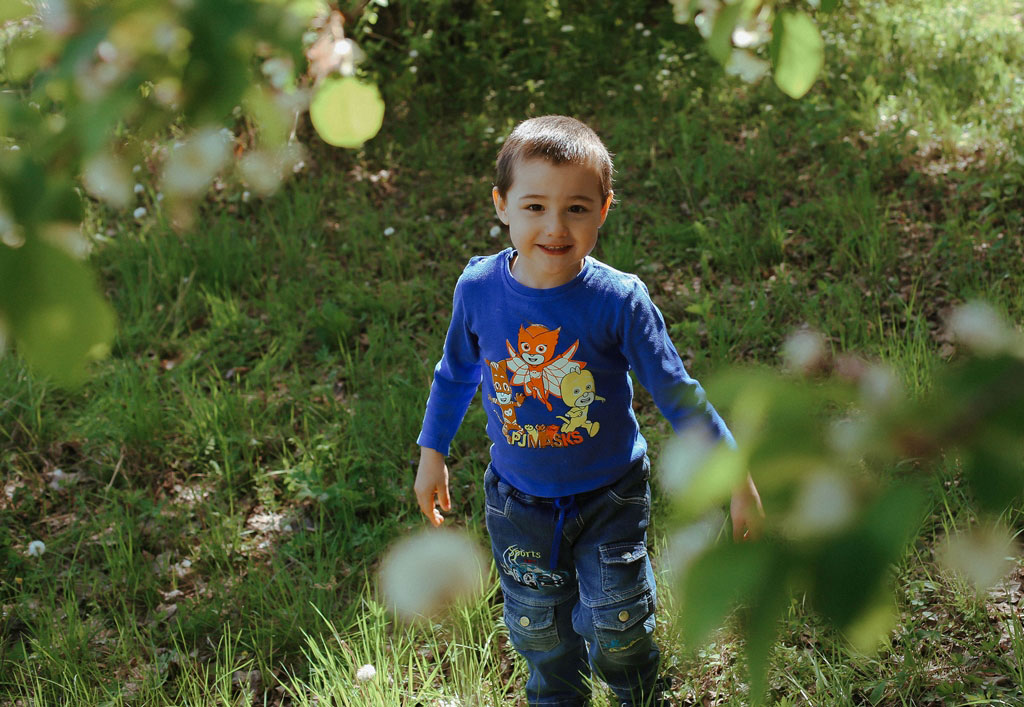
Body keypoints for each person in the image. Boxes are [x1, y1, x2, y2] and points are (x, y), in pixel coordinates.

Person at [414, 115, 763, 707]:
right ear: (502, 206)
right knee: (538, 632)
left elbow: (677, 391)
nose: (554, 226)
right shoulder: (478, 290)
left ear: (603, 210)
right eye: (534, 207)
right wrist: (432, 452)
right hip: (519, 502)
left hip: (610, 498)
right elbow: (455, 375)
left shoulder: (617, 301)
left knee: (619, 630)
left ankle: (638, 694)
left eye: (576, 208)